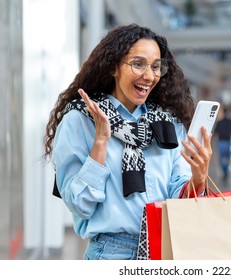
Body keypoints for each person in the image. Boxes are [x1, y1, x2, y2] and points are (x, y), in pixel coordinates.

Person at [43, 23, 212, 260]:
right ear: (113, 66)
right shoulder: (81, 120)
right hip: (110, 255)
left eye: (155, 67)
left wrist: (198, 178)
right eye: (138, 64)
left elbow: (179, 197)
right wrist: (101, 142)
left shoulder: (167, 123)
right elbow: (80, 205)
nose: (149, 76)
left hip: (164, 251)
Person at [213, 107, 231, 180]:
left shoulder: (219, 122)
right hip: (228, 141)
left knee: (221, 158)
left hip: (221, 142)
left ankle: (224, 171)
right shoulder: (230, 122)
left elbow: (215, 133)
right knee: (227, 158)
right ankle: (226, 171)